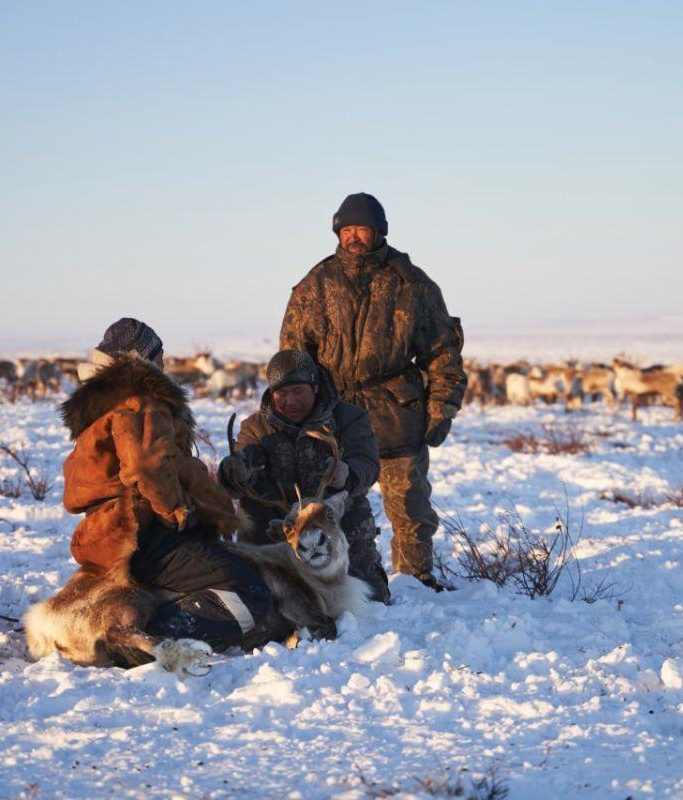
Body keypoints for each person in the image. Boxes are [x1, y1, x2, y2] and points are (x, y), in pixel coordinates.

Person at [280, 193, 466, 590]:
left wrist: (442, 406)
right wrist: (295, 410)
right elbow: (293, 357)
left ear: (378, 231)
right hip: (334, 414)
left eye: (361, 228)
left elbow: (442, 351)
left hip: (396, 409)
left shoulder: (411, 283)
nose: (353, 237)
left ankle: (416, 579)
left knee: (410, 505)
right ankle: (335, 578)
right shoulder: (316, 284)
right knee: (331, 503)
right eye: (346, 229)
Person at [60, 318, 272, 651]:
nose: (163, 363)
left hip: (108, 534)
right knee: (252, 593)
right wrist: (179, 512)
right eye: (158, 354)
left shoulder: (103, 402)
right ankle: (143, 643)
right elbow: (146, 464)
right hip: (144, 533)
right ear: (141, 356)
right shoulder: (138, 399)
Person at [217, 349, 389, 603]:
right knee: (258, 597)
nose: (290, 401)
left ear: (315, 387)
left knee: (370, 598)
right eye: (282, 394)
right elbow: (241, 469)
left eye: (298, 391)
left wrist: (348, 474)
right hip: (277, 528)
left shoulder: (349, 418)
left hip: (334, 520)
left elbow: (367, 463)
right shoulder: (255, 428)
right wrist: (233, 473)